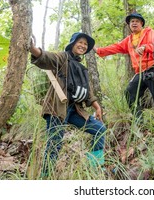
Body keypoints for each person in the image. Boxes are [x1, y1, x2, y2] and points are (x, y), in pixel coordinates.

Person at [29, 32, 106, 178]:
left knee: (99, 129)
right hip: (57, 107)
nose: (83, 46)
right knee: (55, 144)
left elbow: (87, 91)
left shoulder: (82, 68)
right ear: (72, 43)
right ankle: (45, 176)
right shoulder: (62, 58)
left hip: (74, 110)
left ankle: (95, 166)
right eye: (80, 42)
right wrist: (32, 48)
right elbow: (45, 57)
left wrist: (97, 106)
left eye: (85, 44)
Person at [95, 12, 154, 126]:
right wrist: (99, 50)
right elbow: (116, 47)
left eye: (137, 21)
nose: (134, 23)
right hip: (140, 72)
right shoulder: (129, 40)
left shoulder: (148, 32)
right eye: (132, 21)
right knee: (129, 93)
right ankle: (139, 121)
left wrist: (145, 47)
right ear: (129, 25)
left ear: (141, 24)